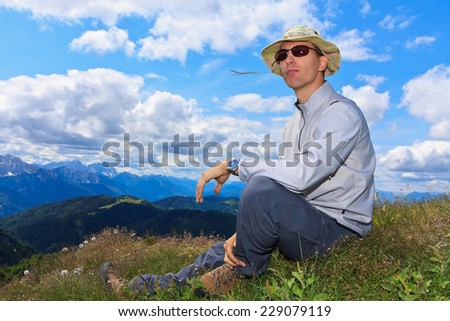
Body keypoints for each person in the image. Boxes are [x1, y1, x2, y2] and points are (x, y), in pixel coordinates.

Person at [100, 25, 376, 295]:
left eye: (300, 51)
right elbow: (289, 185)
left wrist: (232, 165)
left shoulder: (342, 114)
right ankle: (143, 288)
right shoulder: (293, 126)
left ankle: (240, 274)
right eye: (282, 55)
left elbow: (302, 175)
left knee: (260, 190)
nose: (289, 58)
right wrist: (247, 231)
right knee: (223, 248)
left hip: (339, 232)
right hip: (303, 219)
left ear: (322, 62)